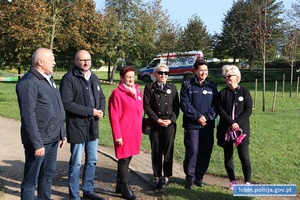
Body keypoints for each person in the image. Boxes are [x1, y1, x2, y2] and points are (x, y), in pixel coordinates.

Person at [16, 47, 66, 199]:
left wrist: (62, 132)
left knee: (47, 176)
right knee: (31, 180)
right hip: (38, 142)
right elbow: (28, 115)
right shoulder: (28, 82)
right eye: (51, 60)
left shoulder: (48, 79)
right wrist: (37, 143)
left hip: (52, 138)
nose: (54, 62)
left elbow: (58, 106)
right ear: (40, 62)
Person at [59, 50, 106, 200]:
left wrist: (101, 111)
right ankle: (74, 196)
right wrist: (91, 111)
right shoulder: (69, 78)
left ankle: (88, 190)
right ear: (75, 61)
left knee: (92, 160)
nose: (86, 63)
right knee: (76, 164)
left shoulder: (94, 77)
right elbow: (66, 104)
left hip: (93, 127)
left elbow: (102, 97)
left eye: (88, 60)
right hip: (77, 126)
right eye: (82, 60)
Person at [180, 59, 218, 189]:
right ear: (195, 71)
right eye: (201, 70)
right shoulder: (187, 85)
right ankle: (190, 178)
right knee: (193, 150)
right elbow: (185, 104)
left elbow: (216, 105)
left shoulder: (212, 86)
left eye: (206, 70)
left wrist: (207, 117)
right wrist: (197, 117)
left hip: (207, 125)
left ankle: (199, 176)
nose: (203, 73)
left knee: (205, 150)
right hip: (192, 125)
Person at [108, 65, 143, 200]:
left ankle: (118, 184)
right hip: (123, 132)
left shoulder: (138, 92)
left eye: (132, 77)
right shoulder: (117, 94)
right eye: (128, 77)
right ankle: (124, 187)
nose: (131, 79)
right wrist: (118, 135)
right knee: (123, 159)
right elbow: (114, 116)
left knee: (128, 158)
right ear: (122, 78)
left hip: (135, 131)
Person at [143, 64, 179, 190]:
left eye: (166, 73)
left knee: (168, 150)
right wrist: (157, 120)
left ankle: (166, 177)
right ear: (155, 74)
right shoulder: (149, 87)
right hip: (155, 122)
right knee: (156, 149)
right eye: (160, 73)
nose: (163, 75)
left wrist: (171, 120)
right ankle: (157, 176)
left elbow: (176, 108)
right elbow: (146, 106)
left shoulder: (173, 88)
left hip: (169, 123)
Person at [216, 65, 252, 190]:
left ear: (237, 77)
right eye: (225, 76)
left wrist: (237, 123)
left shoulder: (245, 92)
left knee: (244, 157)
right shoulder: (223, 93)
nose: (227, 78)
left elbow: (248, 110)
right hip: (226, 131)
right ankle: (232, 181)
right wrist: (231, 123)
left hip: (241, 131)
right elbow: (220, 110)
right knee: (228, 157)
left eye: (229, 76)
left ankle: (247, 182)